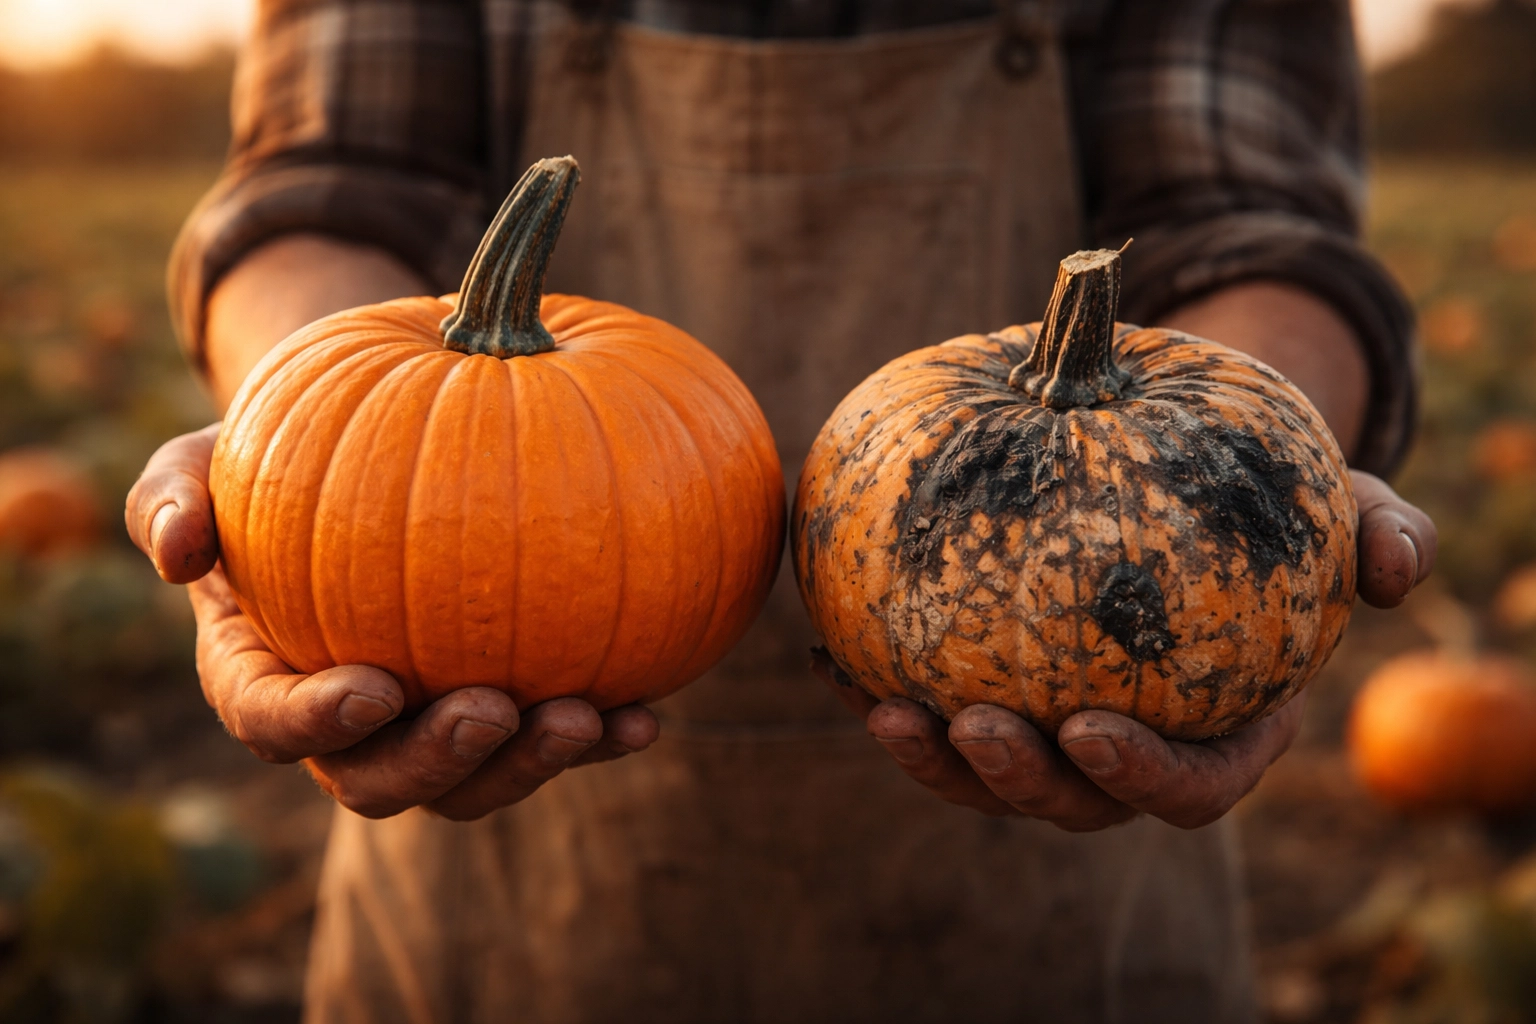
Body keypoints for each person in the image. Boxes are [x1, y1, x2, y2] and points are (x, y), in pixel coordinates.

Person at [128, 0, 1437, 1020]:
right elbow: (332, 182)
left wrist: (1240, 478)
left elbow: (1250, 223)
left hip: (1077, 749)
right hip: (494, 811)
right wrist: (297, 466)